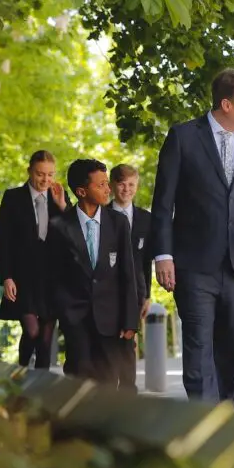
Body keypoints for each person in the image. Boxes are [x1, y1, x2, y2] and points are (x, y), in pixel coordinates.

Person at [150, 68, 234, 402]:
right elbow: (163, 204)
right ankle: (202, 421)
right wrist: (163, 256)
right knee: (198, 349)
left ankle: (222, 421)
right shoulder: (182, 137)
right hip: (194, 267)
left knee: (229, 353)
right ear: (226, 103)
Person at [47, 159, 139, 387]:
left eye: (108, 184)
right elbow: (54, 277)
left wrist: (130, 321)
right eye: (101, 185)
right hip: (76, 322)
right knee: (80, 382)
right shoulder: (60, 226)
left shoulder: (118, 223)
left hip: (111, 323)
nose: (109, 189)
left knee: (108, 383)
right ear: (81, 191)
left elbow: (128, 273)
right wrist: (65, 313)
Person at [0, 150, 68, 369]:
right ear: (29, 171)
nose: (45, 180)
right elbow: (3, 241)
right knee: (32, 331)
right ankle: (22, 373)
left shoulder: (59, 198)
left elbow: (73, 232)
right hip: (23, 278)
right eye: (40, 174)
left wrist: (63, 207)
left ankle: (41, 391)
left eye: (50, 174)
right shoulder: (13, 198)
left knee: (45, 340)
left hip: (52, 280)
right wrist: (6, 277)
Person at [110, 163, 153, 393]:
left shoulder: (146, 219)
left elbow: (147, 261)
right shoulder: (102, 216)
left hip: (136, 291)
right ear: (112, 185)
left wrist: (147, 296)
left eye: (131, 185)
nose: (127, 189)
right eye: (122, 184)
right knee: (110, 342)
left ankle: (127, 394)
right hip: (108, 291)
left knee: (128, 341)